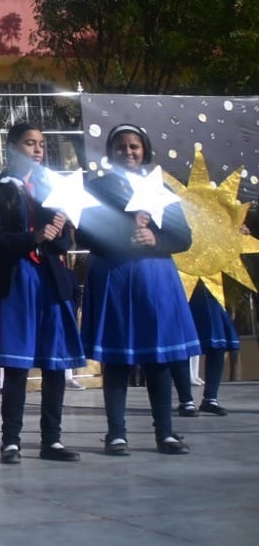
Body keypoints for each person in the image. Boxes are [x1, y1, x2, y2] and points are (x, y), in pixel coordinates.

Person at [78, 124, 199, 456]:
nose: (128, 152)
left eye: (134, 146)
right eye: (121, 147)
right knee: (116, 360)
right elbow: (84, 235)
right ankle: (116, 434)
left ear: (144, 150)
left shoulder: (160, 189)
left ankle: (166, 433)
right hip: (113, 279)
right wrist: (124, 233)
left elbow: (183, 237)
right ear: (110, 152)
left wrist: (155, 239)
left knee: (158, 358)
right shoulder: (97, 188)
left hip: (154, 281)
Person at [0, 123, 87, 464]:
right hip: (16, 279)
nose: (38, 149)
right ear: (12, 147)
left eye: (41, 143)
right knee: (17, 364)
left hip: (51, 281)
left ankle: (52, 440)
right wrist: (33, 237)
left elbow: (63, 243)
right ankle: (10, 441)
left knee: (55, 363)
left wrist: (58, 232)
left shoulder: (51, 188)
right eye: (29, 143)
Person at [188, 281, 241, 416]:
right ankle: (186, 400)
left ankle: (210, 398)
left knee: (218, 344)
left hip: (211, 289)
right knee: (181, 346)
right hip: (183, 290)